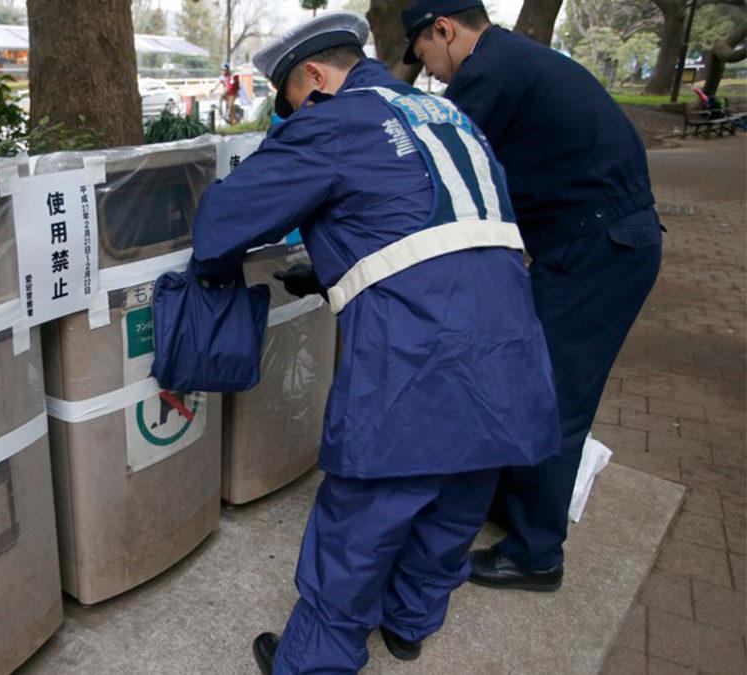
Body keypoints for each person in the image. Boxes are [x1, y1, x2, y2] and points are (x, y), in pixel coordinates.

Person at [186, 12, 561, 674]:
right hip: (509, 340)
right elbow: (429, 219)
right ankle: (412, 619)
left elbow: (221, 223)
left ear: (314, 76)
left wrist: (218, 266)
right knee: (459, 495)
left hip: (417, 347)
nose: (291, 119)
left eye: (291, 106)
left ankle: (314, 661)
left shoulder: (333, 119)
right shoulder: (447, 114)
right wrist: (330, 264)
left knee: (364, 516)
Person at [403, 0, 663, 592]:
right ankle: (511, 505)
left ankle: (538, 554)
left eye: (427, 60)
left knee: (554, 396)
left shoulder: (490, 73)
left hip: (599, 248)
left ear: (444, 30)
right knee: (528, 378)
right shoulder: (515, 59)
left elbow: (436, 166)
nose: (434, 76)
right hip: (593, 239)